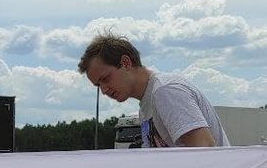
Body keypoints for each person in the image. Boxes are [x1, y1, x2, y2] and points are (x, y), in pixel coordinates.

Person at [78, 34, 229, 147]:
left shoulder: (166, 91)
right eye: (98, 85)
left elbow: (204, 148)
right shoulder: (146, 105)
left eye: (105, 78)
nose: (104, 90)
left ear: (126, 62)